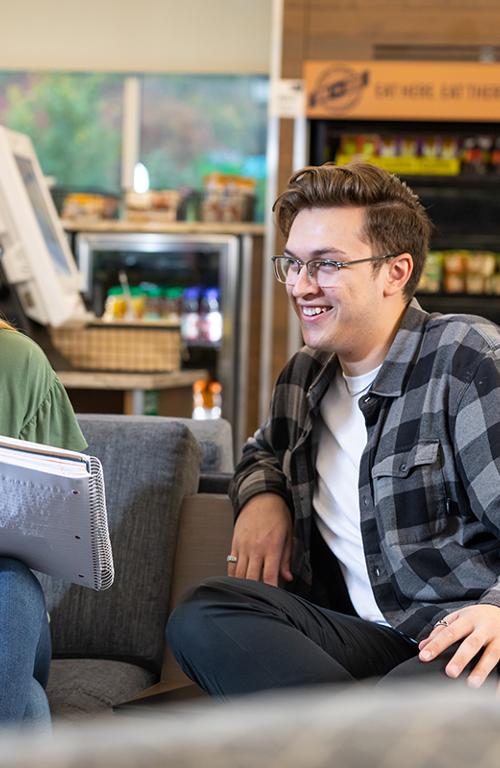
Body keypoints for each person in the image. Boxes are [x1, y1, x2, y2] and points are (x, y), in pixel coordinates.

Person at [167, 161, 500, 697]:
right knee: (205, 614)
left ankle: (340, 734)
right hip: (369, 641)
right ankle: (363, 735)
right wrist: (263, 497)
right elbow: (262, 452)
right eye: (293, 264)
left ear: (395, 271)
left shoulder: (466, 358)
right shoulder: (304, 376)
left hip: (466, 637)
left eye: (325, 265)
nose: (300, 286)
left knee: (425, 685)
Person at [0, 319, 87, 725]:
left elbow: (64, 530)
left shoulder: (15, 359)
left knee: (11, 585)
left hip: (10, 607)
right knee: (31, 704)